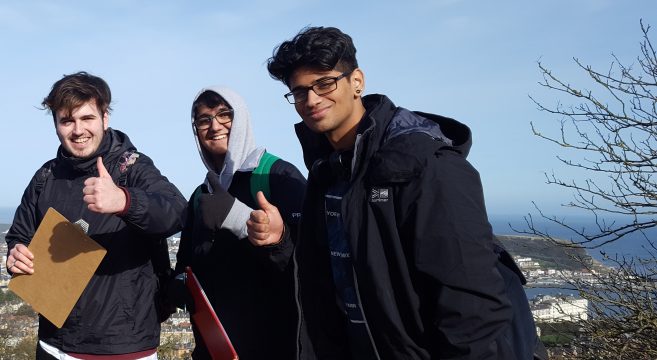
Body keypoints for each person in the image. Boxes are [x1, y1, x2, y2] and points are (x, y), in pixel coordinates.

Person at [264, 26, 547, 359]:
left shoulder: (425, 163)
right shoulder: (327, 173)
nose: (311, 99)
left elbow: (472, 308)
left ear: (357, 81)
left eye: (324, 83)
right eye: (299, 92)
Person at [4, 71, 187, 359]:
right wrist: (16, 253)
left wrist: (125, 201)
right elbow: (20, 234)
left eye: (87, 118)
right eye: (67, 120)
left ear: (105, 118)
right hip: (54, 343)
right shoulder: (45, 177)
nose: (78, 130)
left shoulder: (132, 168)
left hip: (124, 344)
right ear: (56, 125)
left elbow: (175, 212)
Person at [173, 86, 306, 359]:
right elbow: (187, 263)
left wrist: (260, 230)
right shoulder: (202, 194)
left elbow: (310, 263)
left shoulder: (278, 176)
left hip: (275, 344)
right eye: (203, 119)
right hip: (216, 347)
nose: (214, 126)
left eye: (225, 114)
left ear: (242, 118)